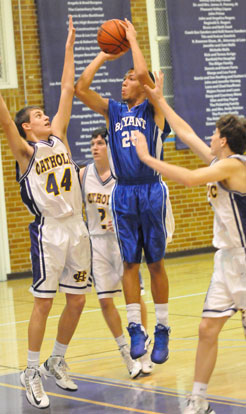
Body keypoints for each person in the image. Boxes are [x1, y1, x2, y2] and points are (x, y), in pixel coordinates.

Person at [131, 71, 246, 414]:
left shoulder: (234, 167)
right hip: (226, 261)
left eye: (214, 134)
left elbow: (191, 178)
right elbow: (185, 132)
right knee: (207, 328)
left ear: (224, 140)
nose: (209, 137)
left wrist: (149, 159)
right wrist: (159, 100)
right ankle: (198, 400)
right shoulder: (221, 162)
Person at [0, 16, 91, 409]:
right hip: (49, 232)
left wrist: (70, 43)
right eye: (37, 116)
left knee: (76, 301)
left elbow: (68, 88)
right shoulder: (25, 152)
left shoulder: (60, 137)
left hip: (78, 227)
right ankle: (31, 370)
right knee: (44, 302)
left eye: (44, 113)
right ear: (26, 128)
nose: (45, 117)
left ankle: (57, 359)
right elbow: (4, 120)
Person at [75, 19, 174, 365]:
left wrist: (131, 39)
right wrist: (103, 56)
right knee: (129, 263)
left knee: (155, 263)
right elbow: (81, 88)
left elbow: (146, 75)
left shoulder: (154, 108)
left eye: (129, 78)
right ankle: (136, 327)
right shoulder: (114, 110)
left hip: (151, 191)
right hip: (124, 193)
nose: (125, 81)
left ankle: (161, 328)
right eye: (124, 77)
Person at [80, 127, 153, 377]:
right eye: (92, 142)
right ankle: (125, 351)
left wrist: (125, 219)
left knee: (134, 296)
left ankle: (142, 348)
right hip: (97, 243)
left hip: (122, 240)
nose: (95, 147)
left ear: (111, 147)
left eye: (100, 142)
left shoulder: (123, 174)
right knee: (104, 300)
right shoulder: (83, 174)